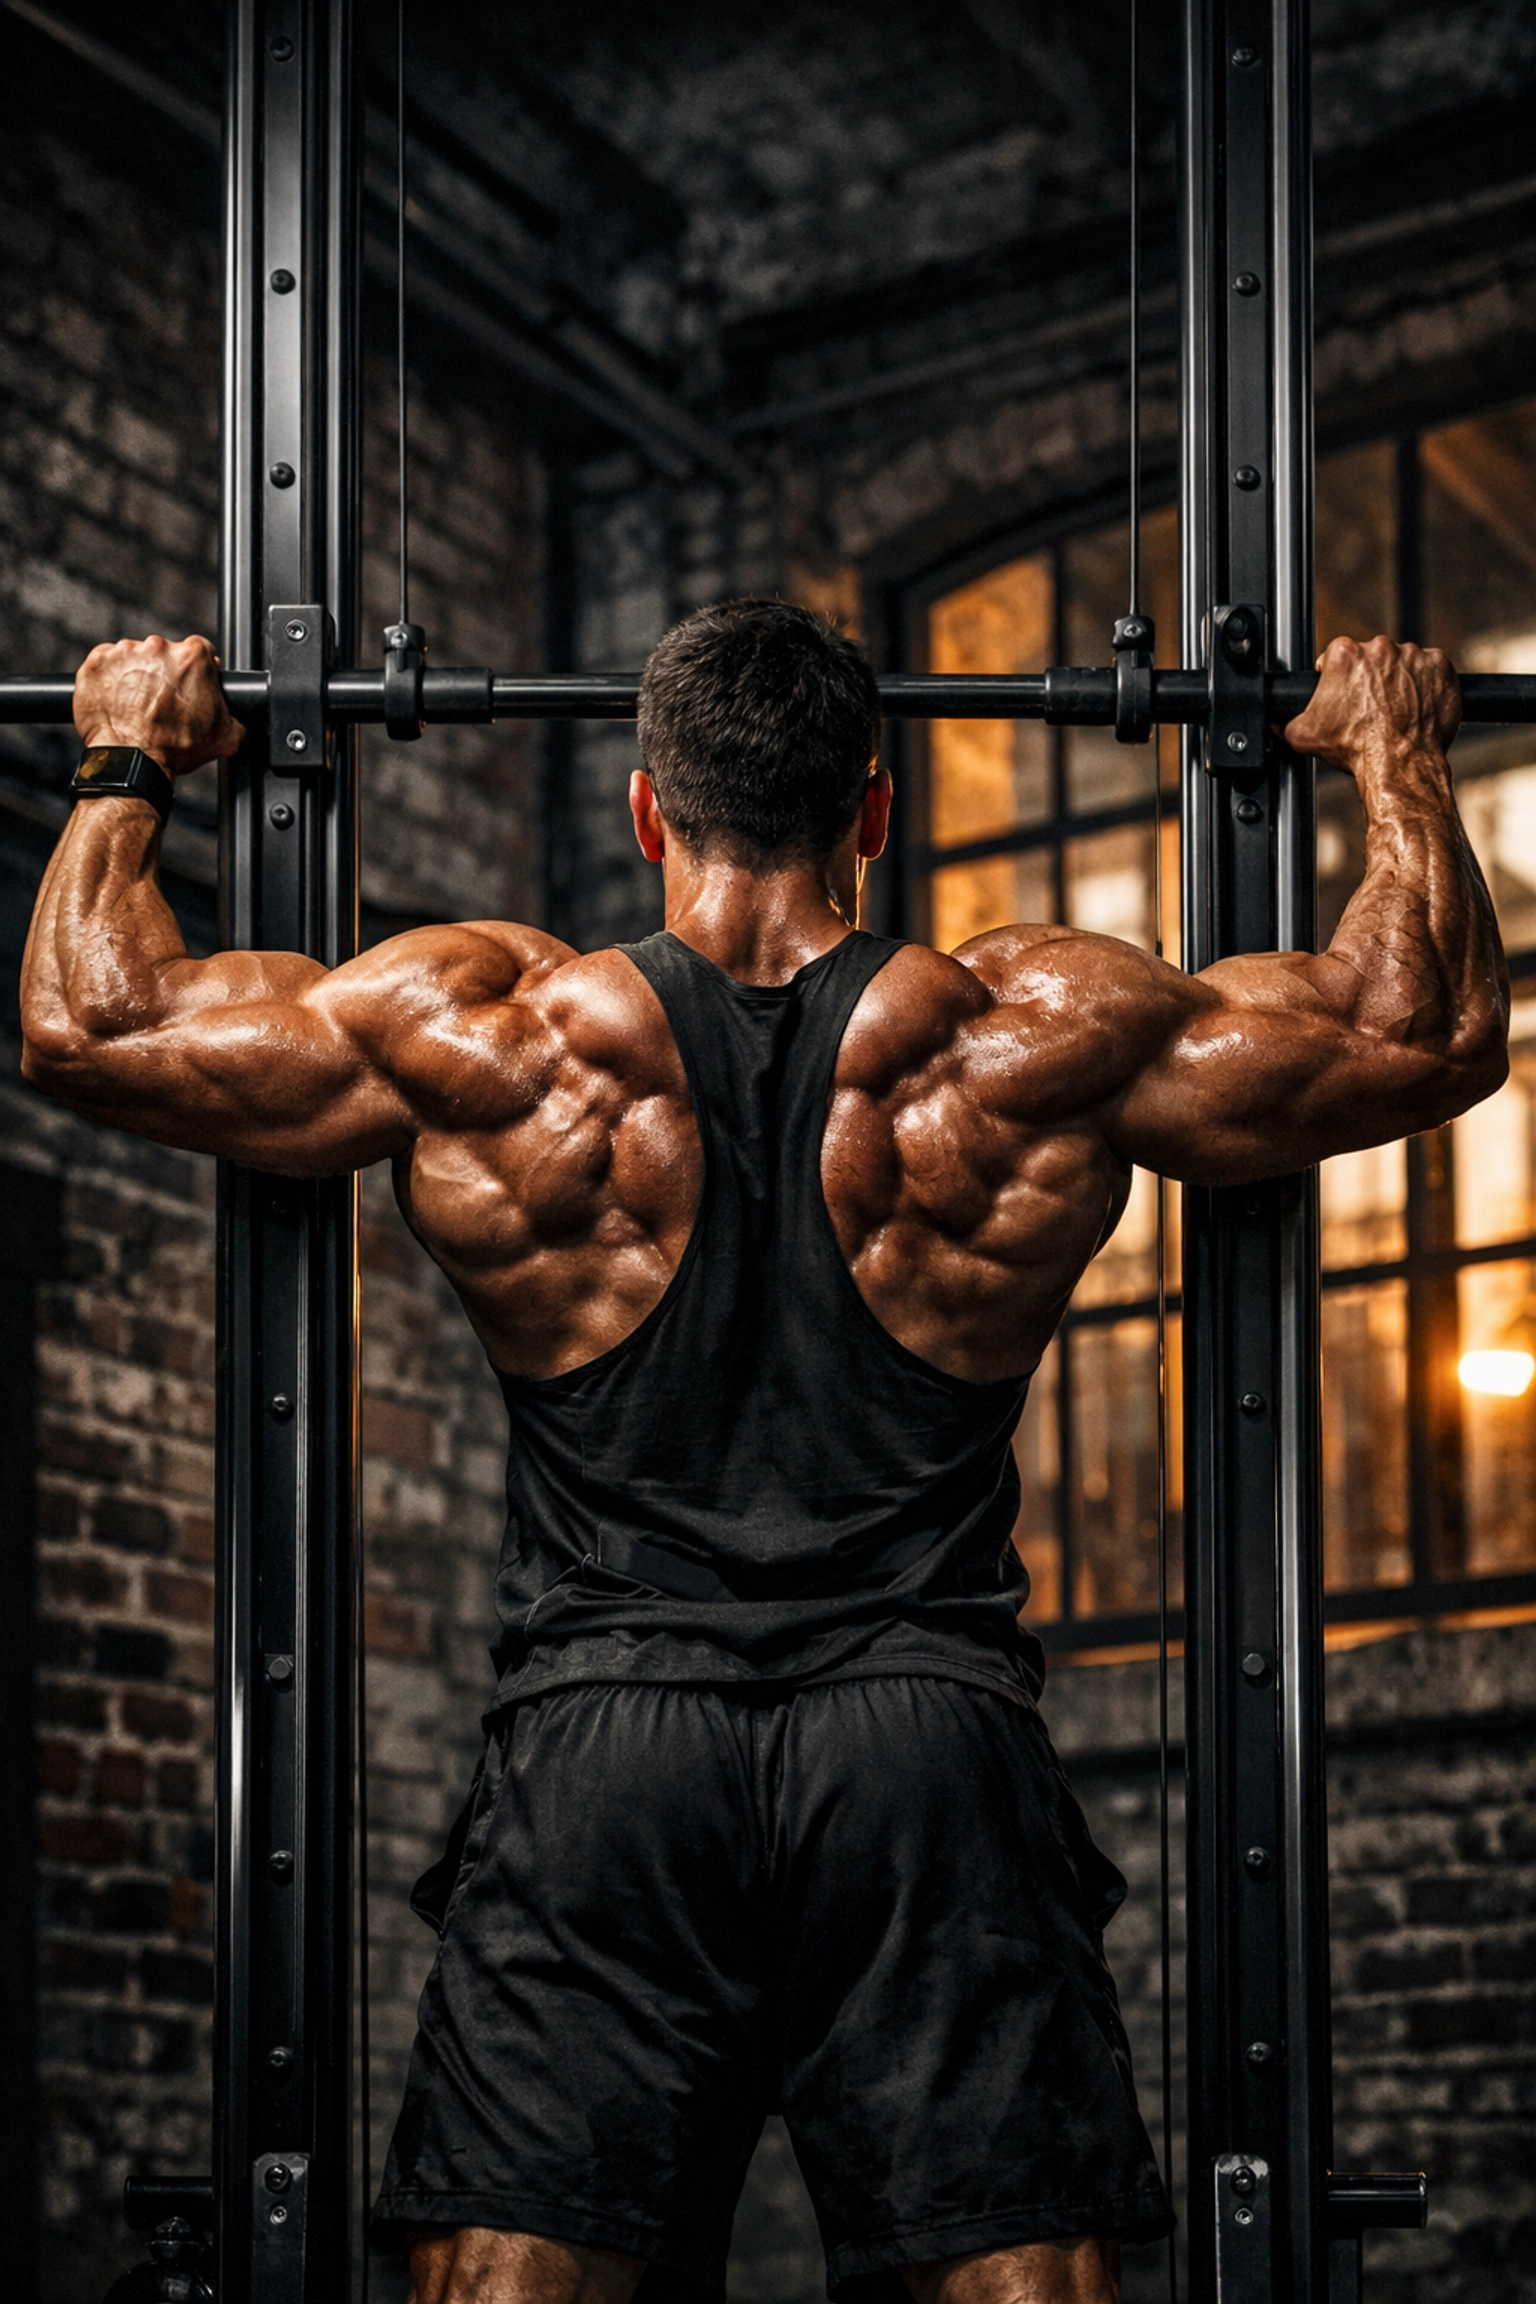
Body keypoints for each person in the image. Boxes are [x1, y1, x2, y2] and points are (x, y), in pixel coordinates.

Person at [22, 601, 1506, 2304]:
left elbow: (93, 1023)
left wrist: (129, 755)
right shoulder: (1010, 1041)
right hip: (925, 1748)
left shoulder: (506, 1040)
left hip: (604, 1751)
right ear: (874, 811)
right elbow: (1425, 1032)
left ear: (652, 810)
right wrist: (1393, 755)